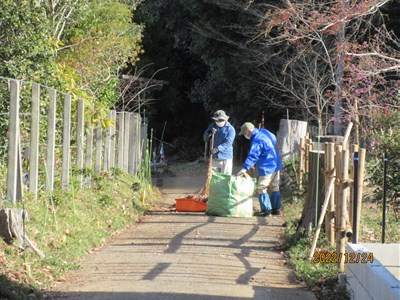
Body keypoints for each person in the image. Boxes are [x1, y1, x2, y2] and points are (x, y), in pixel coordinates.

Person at [237, 122, 283, 216]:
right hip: (276, 162)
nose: (245, 136)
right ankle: (277, 209)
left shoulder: (256, 139)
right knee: (275, 186)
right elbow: (274, 138)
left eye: (245, 133)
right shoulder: (264, 131)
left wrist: (245, 168)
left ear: (249, 131)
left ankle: (266, 211)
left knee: (261, 187)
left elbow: (253, 155)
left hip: (267, 165)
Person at [203, 110, 236, 175]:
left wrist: (217, 149)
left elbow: (228, 143)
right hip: (214, 157)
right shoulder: (212, 126)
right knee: (212, 179)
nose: (218, 122)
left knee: (225, 179)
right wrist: (209, 133)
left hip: (226, 157)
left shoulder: (231, 129)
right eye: (217, 120)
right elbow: (205, 138)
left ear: (225, 119)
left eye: (221, 120)